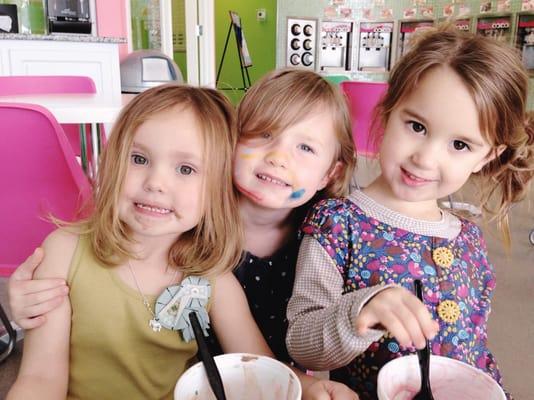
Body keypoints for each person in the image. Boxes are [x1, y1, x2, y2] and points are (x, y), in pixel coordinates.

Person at [7, 70, 360, 399]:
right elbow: (40, 379)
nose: (156, 183)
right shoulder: (63, 253)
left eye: (186, 168)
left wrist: (313, 387)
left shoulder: (215, 276)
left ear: (215, 186)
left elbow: (260, 363)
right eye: (139, 159)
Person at [285, 25, 534, 400]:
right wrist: (362, 311)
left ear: (489, 155)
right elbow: (302, 343)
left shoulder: (468, 238)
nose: (425, 158)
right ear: (387, 113)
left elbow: (475, 347)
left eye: (460, 144)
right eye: (416, 126)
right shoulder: (337, 224)